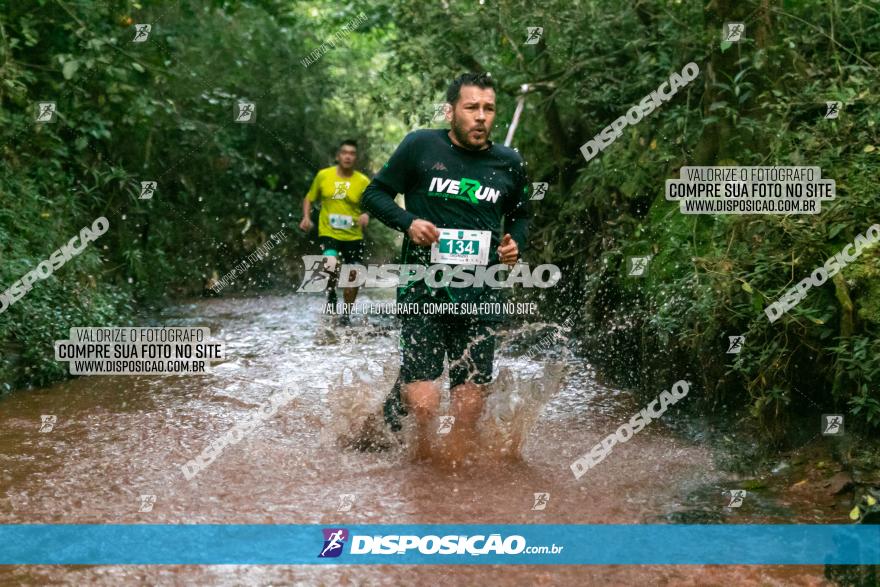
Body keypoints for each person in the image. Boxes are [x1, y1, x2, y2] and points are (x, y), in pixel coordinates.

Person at [362, 72, 531, 463]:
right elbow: (373, 194)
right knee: (424, 402)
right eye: (471, 107)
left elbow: (521, 214)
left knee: (469, 402)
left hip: (482, 288)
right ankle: (418, 459)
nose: (481, 117)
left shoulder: (509, 163)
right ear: (451, 110)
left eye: (488, 109)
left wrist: (514, 243)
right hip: (423, 285)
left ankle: (450, 473)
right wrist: (409, 222)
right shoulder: (421, 146)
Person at [299, 140, 371, 320]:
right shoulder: (324, 176)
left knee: (353, 275)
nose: (348, 156)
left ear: (356, 158)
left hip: (353, 236)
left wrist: (367, 214)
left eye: (352, 153)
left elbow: (374, 204)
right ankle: (331, 295)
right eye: (345, 152)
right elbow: (309, 198)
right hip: (329, 232)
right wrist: (306, 217)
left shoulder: (363, 181)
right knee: (330, 264)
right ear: (338, 156)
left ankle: (346, 314)